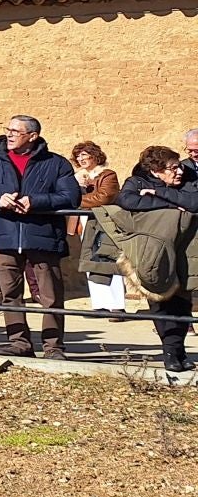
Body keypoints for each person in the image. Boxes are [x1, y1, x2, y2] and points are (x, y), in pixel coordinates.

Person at [0, 115, 79, 359]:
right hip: (6, 236)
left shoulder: (56, 163)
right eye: (8, 129)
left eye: (16, 131)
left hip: (44, 237)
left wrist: (36, 202)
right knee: (10, 294)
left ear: (32, 136)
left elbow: (71, 197)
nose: (9, 134)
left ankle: (53, 347)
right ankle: (19, 343)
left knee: (51, 296)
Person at [109, 145, 198, 373]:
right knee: (159, 300)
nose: (179, 171)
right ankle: (171, 352)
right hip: (151, 252)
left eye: (178, 166)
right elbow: (127, 201)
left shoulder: (188, 178)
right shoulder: (136, 181)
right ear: (156, 170)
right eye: (172, 168)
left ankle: (177, 351)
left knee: (182, 301)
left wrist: (159, 193)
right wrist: (172, 204)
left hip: (184, 250)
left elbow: (194, 202)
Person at [70, 142, 126, 313]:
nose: (81, 159)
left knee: (109, 260)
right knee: (90, 261)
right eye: (78, 156)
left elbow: (104, 197)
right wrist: (76, 186)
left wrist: (76, 201)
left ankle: (117, 306)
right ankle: (99, 304)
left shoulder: (107, 175)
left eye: (84, 154)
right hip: (84, 222)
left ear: (95, 156)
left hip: (104, 223)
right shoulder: (77, 177)